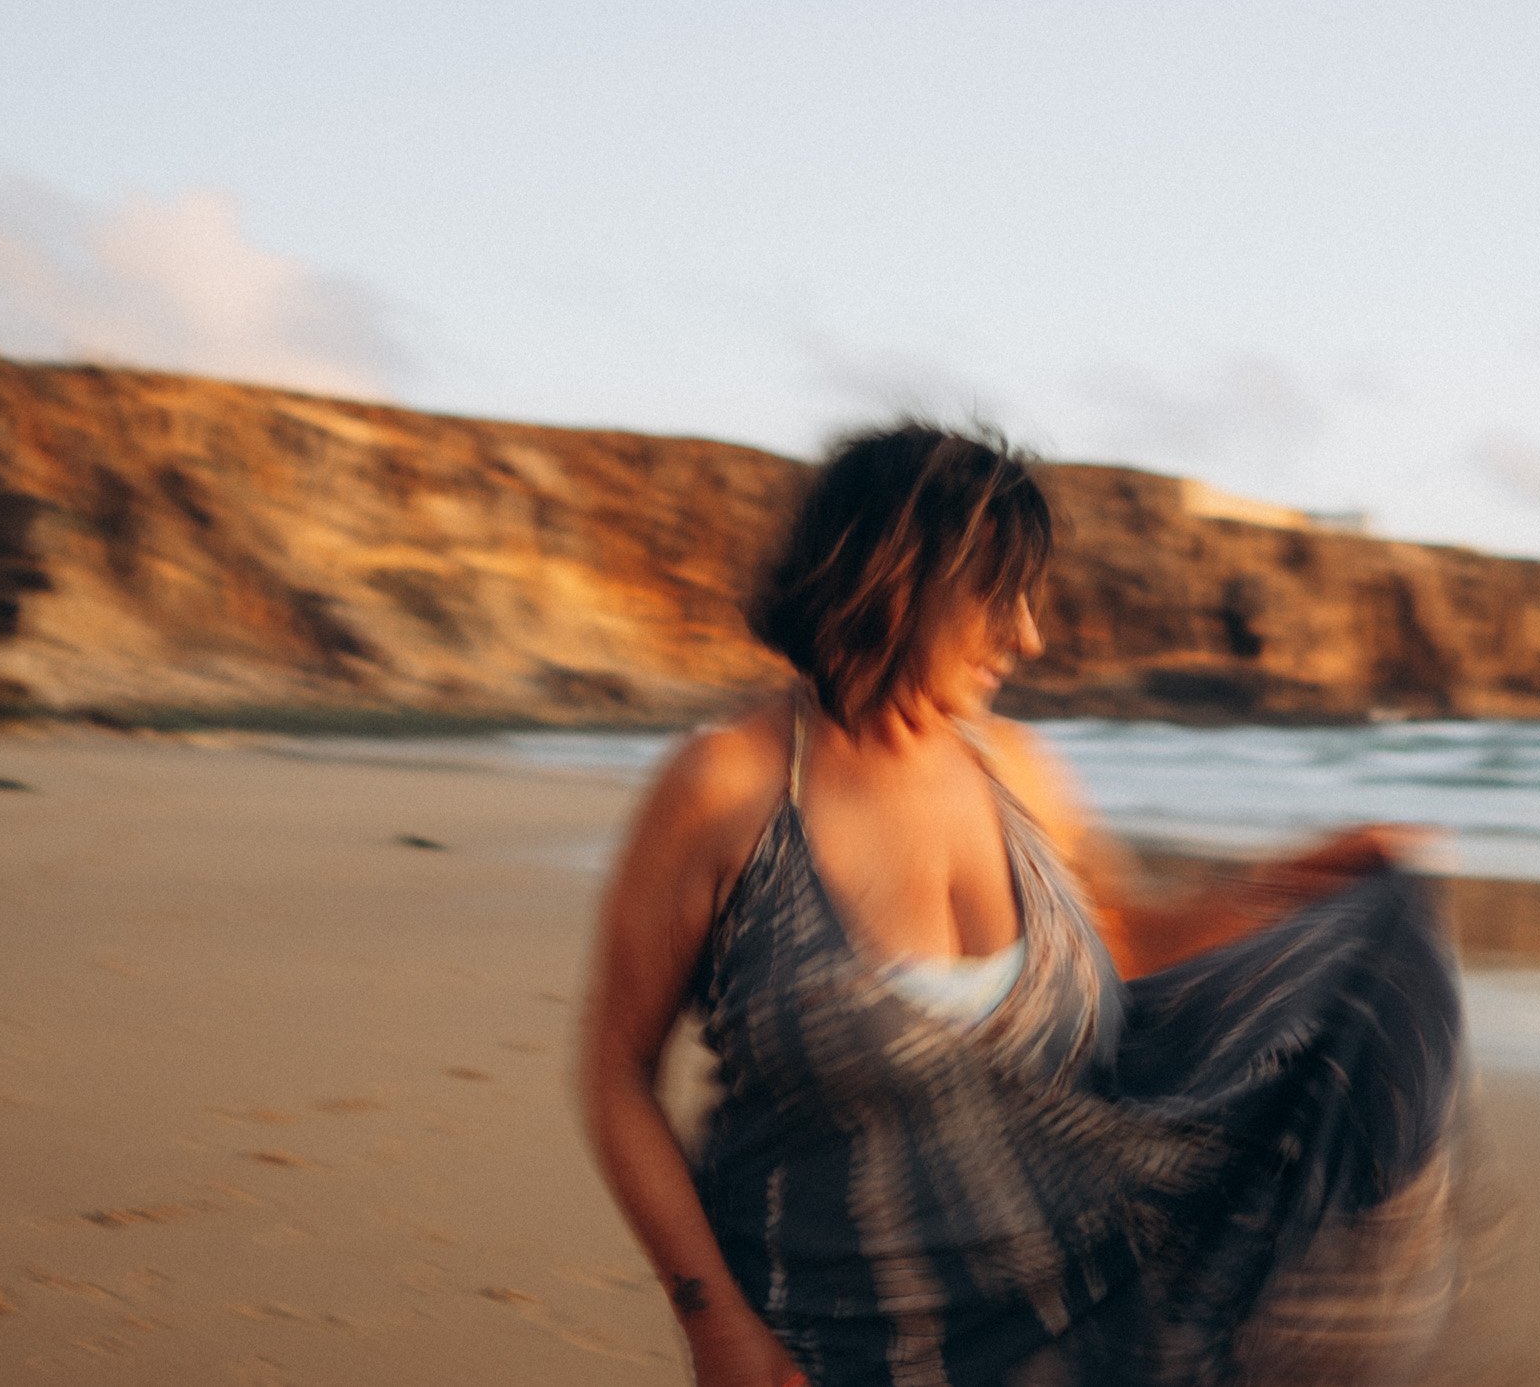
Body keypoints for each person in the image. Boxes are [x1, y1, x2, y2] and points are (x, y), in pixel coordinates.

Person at [579, 423, 1467, 1387]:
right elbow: (615, 1075)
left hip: (1069, 1326)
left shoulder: (1022, 773)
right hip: (825, 1345)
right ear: (894, 576)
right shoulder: (726, 787)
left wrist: (1304, 877)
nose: (1029, 633)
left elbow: (1126, 944)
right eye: (998, 595)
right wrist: (716, 1325)